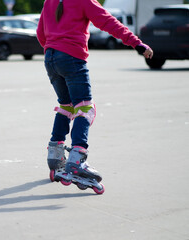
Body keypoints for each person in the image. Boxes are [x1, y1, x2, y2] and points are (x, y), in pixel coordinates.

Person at [37, 0, 153, 185]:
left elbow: (40, 33)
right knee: (85, 109)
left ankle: (55, 158)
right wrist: (137, 43)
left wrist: (53, 50)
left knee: (66, 107)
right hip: (71, 57)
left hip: (51, 57)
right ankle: (77, 160)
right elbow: (108, 22)